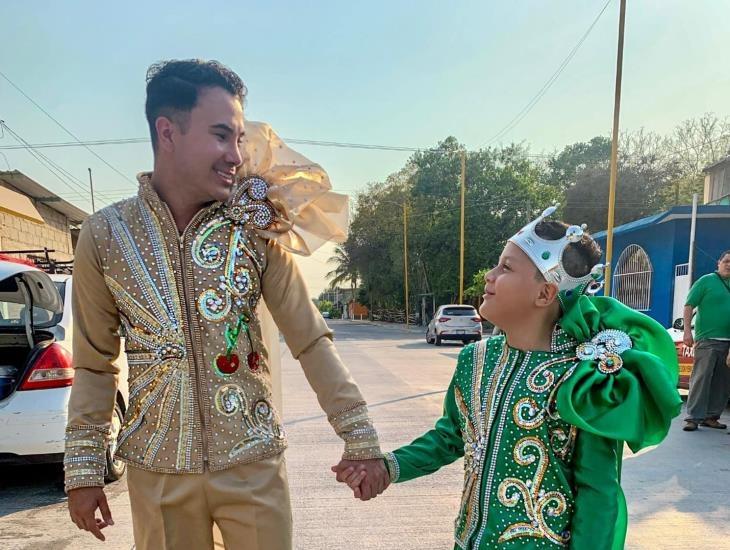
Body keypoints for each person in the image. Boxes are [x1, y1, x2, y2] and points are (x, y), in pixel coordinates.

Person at [64, 59, 388, 550]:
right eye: (221, 135)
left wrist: (359, 435)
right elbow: (94, 363)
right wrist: (84, 469)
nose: (236, 154)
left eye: (239, 137)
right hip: (158, 470)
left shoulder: (256, 225)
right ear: (167, 132)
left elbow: (310, 337)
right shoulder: (105, 234)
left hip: (252, 463)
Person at [335, 206, 681, 549]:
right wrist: (387, 467)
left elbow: (599, 492)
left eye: (506, 267)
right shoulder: (475, 359)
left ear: (545, 293)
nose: (489, 274)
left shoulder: (582, 377)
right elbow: (451, 437)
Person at [682, 250, 730, 432]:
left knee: (723, 382)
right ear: (718, 262)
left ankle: (712, 416)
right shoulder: (706, 281)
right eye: (726, 261)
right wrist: (687, 331)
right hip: (707, 340)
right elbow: (689, 305)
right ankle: (693, 418)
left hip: (728, 343)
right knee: (701, 379)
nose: (729, 264)